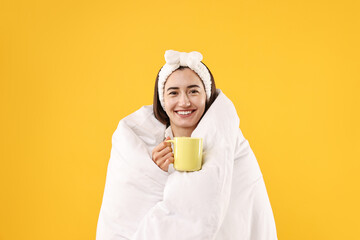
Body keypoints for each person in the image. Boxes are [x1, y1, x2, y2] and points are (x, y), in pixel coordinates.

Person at [96, 50, 278, 240]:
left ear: (207, 97)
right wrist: (156, 172)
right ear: (163, 101)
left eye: (193, 91)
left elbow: (243, 212)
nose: (184, 102)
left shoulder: (231, 146)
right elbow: (126, 213)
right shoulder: (144, 148)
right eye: (173, 93)